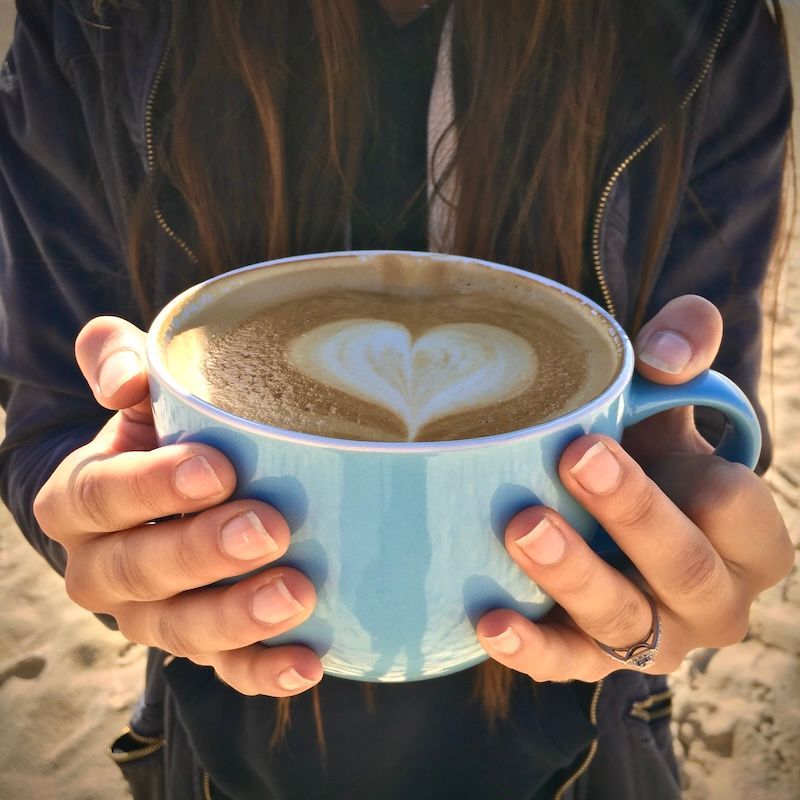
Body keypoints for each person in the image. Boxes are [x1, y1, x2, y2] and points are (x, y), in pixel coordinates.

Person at [0, 0, 794, 798]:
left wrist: (681, 559)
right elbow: (54, 423)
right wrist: (106, 535)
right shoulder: (90, 21)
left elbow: (697, 437)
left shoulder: (705, 32)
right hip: (221, 741)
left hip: (579, 741)